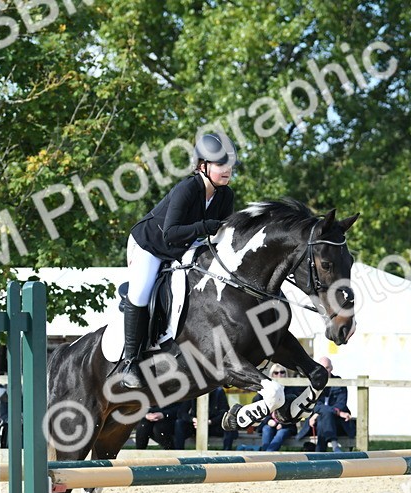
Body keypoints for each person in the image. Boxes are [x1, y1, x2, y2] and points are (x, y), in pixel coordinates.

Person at [120, 131, 237, 388]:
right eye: (220, 164)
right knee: (140, 294)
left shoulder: (225, 196)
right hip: (151, 245)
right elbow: (171, 233)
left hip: (184, 246)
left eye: (229, 164)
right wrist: (205, 226)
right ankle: (130, 362)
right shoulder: (187, 189)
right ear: (202, 166)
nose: (227, 170)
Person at [300, 356, 354, 452]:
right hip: (315, 424)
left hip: (337, 422)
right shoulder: (314, 383)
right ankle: (334, 446)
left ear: (331, 368)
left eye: (327, 367)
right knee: (323, 417)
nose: (325, 370)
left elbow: (341, 403)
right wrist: (338, 412)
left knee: (323, 417)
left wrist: (317, 414)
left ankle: (319, 454)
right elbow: (315, 404)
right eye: (322, 368)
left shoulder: (339, 382)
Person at [258, 365, 300, 451]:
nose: (279, 375)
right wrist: (268, 420)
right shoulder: (265, 390)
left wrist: (283, 424)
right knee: (266, 429)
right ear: (271, 375)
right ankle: (266, 457)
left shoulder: (292, 390)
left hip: (287, 425)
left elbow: (296, 412)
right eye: (276, 373)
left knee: (281, 433)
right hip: (269, 423)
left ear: (286, 374)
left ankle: (266, 456)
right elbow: (258, 407)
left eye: (282, 372)